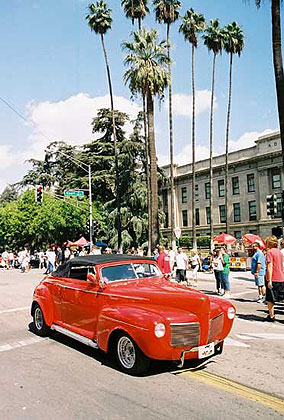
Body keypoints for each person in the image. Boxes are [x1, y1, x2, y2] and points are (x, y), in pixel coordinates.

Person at [265, 235, 284, 322]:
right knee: (282, 297)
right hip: (281, 277)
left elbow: (270, 266)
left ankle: (271, 316)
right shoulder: (280, 252)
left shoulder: (270, 252)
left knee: (270, 299)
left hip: (273, 278)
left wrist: (269, 280)